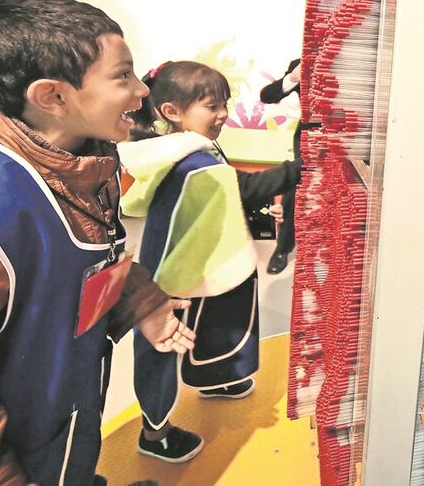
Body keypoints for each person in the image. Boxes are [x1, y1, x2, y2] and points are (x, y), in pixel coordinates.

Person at [0, 0, 195, 486]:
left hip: (66, 417)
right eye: (122, 75)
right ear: (53, 97)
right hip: (10, 457)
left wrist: (142, 301)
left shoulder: (87, 161)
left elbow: (84, 262)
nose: (140, 91)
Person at [120, 60, 301, 462]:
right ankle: (156, 432)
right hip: (173, 274)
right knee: (165, 346)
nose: (223, 114)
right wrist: (302, 169)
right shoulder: (193, 161)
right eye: (211, 106)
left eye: (224, 103)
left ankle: (213, 379)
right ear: (172, 111)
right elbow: (248, 189)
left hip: (192, 262)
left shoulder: (183, 150)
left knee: (210, 327)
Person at [259, 58, 302, 274]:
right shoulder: (301, 63)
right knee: (293, 189)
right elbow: (267, 95)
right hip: (310, 135)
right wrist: (293, 78)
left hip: (351, 133)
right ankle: (282, 249)